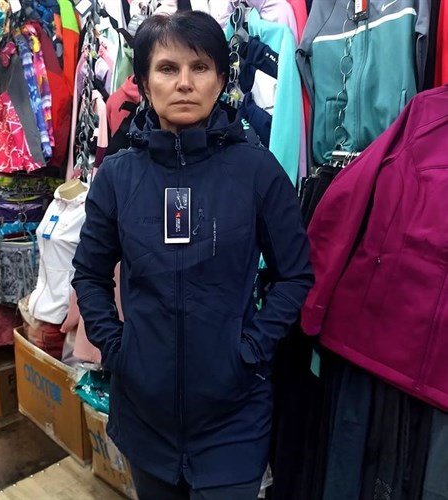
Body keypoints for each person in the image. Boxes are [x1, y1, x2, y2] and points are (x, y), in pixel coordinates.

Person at [72, 10, 313, 500]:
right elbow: (89, 275)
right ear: (143, 82)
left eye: (200, 68)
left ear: (221, 80)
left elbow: (294, 275)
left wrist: (250, 350)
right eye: (167, 68)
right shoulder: (118, 176)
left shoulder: (256, 170)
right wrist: (118, 350)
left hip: (234, 417)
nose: (184, 83)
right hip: (145, 417)